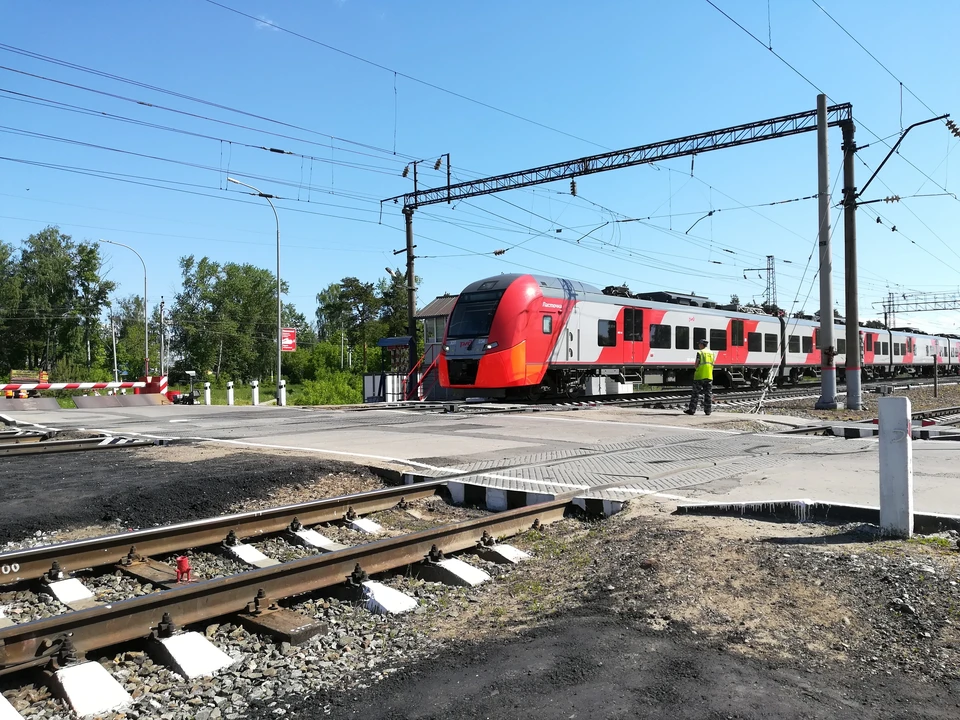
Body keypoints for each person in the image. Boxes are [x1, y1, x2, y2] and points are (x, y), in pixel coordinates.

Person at [684, 339, 714, 415]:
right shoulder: (712, 353)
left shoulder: (700, 353)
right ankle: (708, 410)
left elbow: (696, 364)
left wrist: (695, 367)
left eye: (699, 344)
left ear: (702, 344)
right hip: (709, 375)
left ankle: (692, 410)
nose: (698, 345)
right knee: (708, 394)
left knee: (695, 394)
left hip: (699, 376)